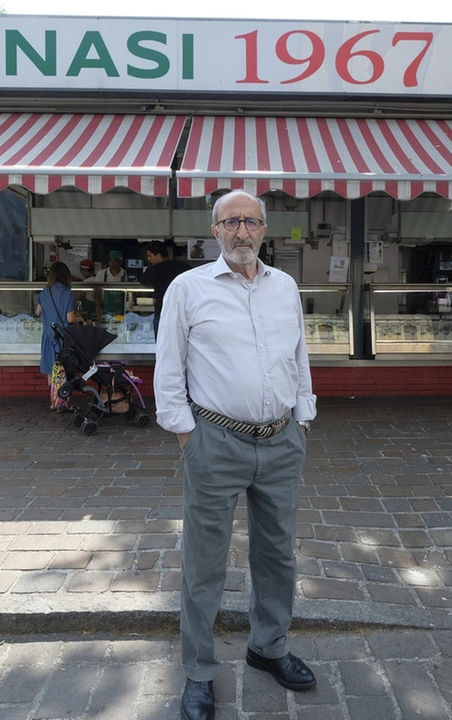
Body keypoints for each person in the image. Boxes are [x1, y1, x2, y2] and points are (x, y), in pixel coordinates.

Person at [154, 190, 317, 720]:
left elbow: (299, 354)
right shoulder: (189, 288)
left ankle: (267, 646)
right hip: (214, 441)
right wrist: (186, 434)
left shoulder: (285, 286)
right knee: (205, 563)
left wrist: (303, 413)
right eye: (231, 222)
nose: (242, 231)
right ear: (215, 229)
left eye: (251, 222)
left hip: (281, 439)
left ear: (264, 229)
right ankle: (199, 671)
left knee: (278, 554)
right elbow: (169, 366)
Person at [34, 262, 82, 412]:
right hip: (63, 339)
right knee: (64, 371)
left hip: (48, 337)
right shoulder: (68, 293)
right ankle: (64, 402)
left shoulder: (45, 292)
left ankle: (53, 402)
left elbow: (37, 312)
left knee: (51, 371)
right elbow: (70, 319)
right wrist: (81, 319)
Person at [138, 241, 191, 333]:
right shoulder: (184, 266)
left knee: (162, 345)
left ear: (158, 256)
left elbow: (142, 280)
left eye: (150, 256)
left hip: (162, 312)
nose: (148, 259)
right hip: (183, 313)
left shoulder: (153, 270)